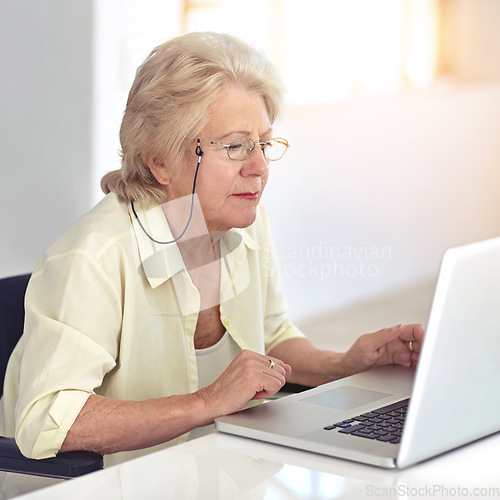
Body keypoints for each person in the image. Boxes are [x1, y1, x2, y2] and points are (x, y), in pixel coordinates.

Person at [0, 32, 424, 467]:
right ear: (160, 161)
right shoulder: (93, 259)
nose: (258, 169)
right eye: (236, 146)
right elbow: (49, 419)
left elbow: (272, 339)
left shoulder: (243, 221)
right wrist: (206, 402)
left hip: (209, 472)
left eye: (263, 143)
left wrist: (347, 363)